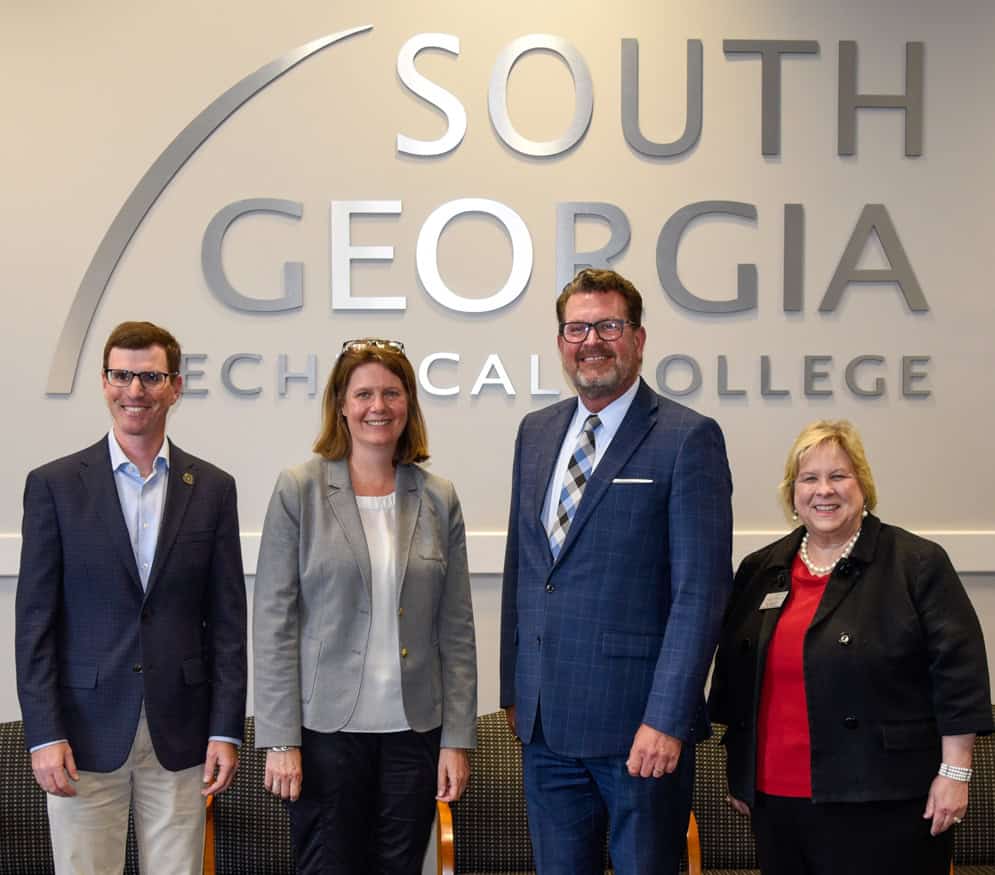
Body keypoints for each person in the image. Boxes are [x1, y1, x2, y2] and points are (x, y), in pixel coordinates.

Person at [499, 268, 734, 875]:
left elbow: (699, 593)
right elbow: (524, 569)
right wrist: (512, 689)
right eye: (576, 328)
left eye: (608, 325)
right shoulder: (536, 432)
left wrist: (666, 717)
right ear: (560, 342)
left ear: (638, 337)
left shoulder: (688, 438)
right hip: (546, 725)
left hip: (639, 732)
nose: (591, 341)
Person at [709, 419, 994, 875]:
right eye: (809, 478)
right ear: (793, 492)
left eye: (838, 475)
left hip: (887, 799)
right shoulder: (761, 569)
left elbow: (960, 678)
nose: (824, 490)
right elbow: (737, 677)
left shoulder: (915, 563)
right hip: (777, 801)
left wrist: (955, 774)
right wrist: (739, 770)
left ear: (863, 484)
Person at [15, 321, 247, 874]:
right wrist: (43, 734)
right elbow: (34, 625)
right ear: (103, 382)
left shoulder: (213, 488)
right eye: (121, 376)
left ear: (174, 385)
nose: (134, 391)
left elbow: (228, 622)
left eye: (149, 377)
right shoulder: (55, 486)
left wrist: (225, 728)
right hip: (83, 735)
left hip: (182, 733)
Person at [253, 338, 477, 875]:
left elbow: (458, 628)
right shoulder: (299, 490)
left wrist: (458, 740)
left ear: (409, 405)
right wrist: (281, 738)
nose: (378, 406)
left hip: (414, 733)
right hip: (325, 732)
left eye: (392, 393)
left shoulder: (438, 495)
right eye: (364, 393)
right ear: (341, 405)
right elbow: (273, 622)